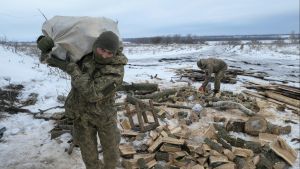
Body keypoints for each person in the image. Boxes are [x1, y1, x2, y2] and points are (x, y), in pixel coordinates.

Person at [37, 31, 128, 169]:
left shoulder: (116, 71)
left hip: (105, 118)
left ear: (114, 54)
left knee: (111, 155)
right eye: (102, 49)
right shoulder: (84, 57)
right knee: (89, 158)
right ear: (95, 46)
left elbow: (93, 94)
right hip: (82, 117)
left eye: (109, 53)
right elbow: (49, 60)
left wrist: (73, 69)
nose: (104, 55)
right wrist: (46, 48)